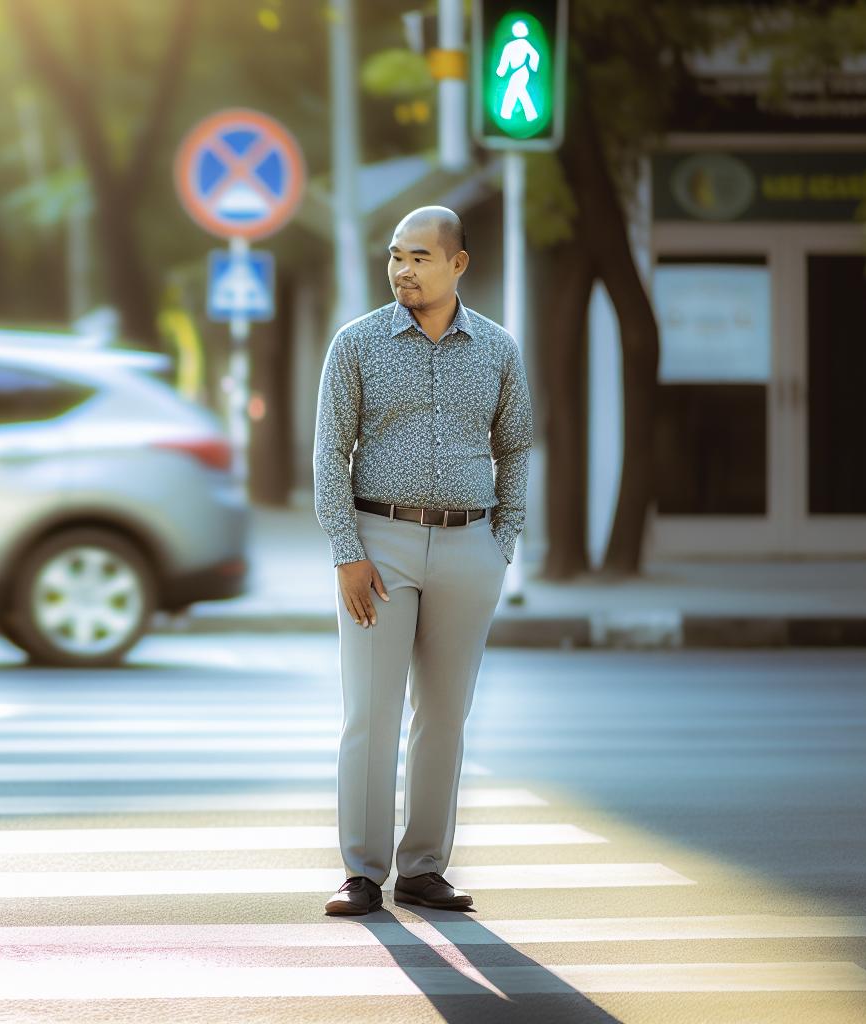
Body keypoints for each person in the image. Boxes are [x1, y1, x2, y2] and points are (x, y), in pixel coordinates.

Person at [312, 205, 533, 916]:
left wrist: (504, 539)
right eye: (395, 257)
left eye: (420, 257)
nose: (403, 270)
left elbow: (518, 444)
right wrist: (347, 552)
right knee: (369, 716)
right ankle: (362, 873)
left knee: (444, 716)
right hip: (381, 545)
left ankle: (424, 868)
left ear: (458, 264)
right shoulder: (358, 343)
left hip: (471, 546)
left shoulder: (497, 348)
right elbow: (328, 453)